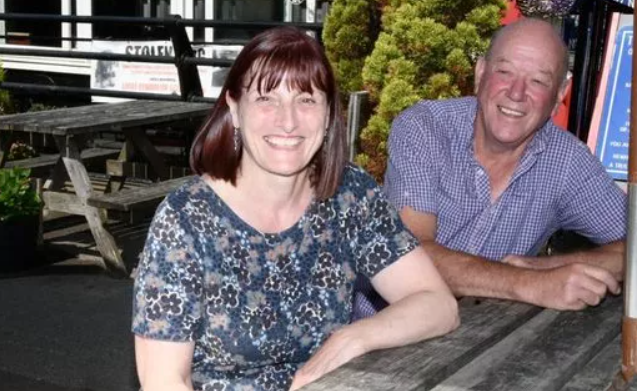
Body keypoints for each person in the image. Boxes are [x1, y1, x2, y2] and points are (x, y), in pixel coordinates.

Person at [132, 27, 459, 391]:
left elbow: (438, 304)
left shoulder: (349, 195)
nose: (287, 121)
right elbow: (163, 381)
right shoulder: (186, 219)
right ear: (234, 108)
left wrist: (352, 338)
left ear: (328, 113)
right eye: (266, 99)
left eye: (306, 100)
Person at [354, 18, 626, 319]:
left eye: (538, 81)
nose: (517, 92)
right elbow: (408, 255)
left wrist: (547, 267)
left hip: (477, 342)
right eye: (505, 72)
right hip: (375, 338)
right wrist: (527, 282)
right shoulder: (425, 128)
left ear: (559, 95)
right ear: (481, 73)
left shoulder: (566, 162)